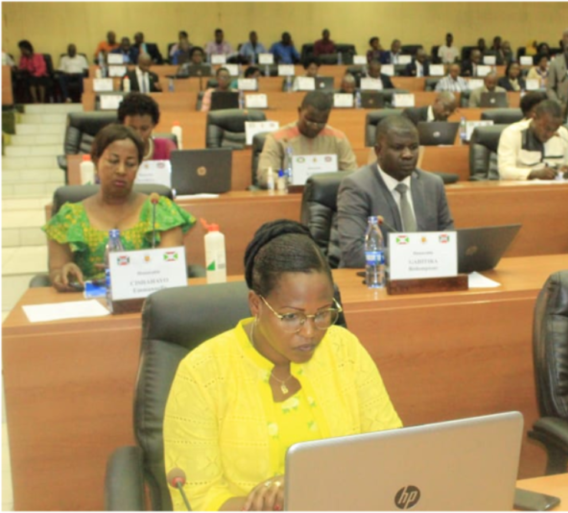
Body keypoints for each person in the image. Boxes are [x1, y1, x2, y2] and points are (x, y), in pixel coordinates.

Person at [163, 219, 401, 513]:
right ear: (255, 305)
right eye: (291, 316)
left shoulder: (344, 349)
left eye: (323, 313)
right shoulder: (202, 373)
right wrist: (278, 503)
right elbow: (196, 499)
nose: (311, 331)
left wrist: (304, 485)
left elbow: (389, 450)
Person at [43, 124, 195, 291]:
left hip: (146, 301)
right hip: (87, 304)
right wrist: (63, 274)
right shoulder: (69, 217)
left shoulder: (159, 210)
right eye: (113, 161)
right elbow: (56, 271)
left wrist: (127, 269)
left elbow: (171, 267)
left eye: (130, 164)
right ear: (95, 160)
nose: (121, 170)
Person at [337, 115, 455, 268]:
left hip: (426, 274)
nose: (408, 155)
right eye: (398, 148)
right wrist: (416, 255)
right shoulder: (356, 186)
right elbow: (354, 253)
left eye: (413, 147)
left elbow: (448, 237)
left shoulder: (432, 184)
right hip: (374, 279)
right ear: (378, 151)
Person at [256, 91, 357, 187]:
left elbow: (353, 175)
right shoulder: (278, 138)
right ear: (299, 111)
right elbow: (265, 175)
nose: (314, 127)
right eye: (310, 121)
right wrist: (287, 176)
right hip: (289, 195)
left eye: (321, 123)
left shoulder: (338, 139)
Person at [497, 100, 568, 181]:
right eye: (547, 129)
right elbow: (505, 171)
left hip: (555, 189)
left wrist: (567, 172)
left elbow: (567, 167)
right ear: (534, 118)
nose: (549, 134)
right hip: (523, 189)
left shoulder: (563, 133)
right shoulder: (512, 133)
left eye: (554, 130)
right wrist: (533, 174)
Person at [118, 93, 176, 160]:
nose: (138, 134)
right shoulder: (113, 150)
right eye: (132, 128)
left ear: (153, 125)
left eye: (144, 129)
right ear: (122, 125)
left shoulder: (166, 148)